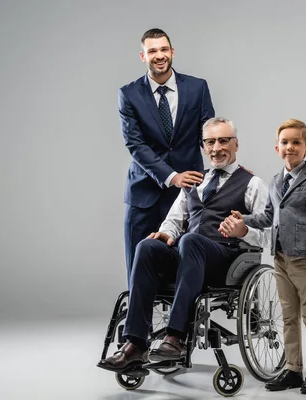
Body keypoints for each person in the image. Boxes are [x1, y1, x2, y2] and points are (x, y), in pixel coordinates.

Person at [97, 117, 269, 372]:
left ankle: (175, 337)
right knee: (147, 246)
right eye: (210, 142)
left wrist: (244, 230)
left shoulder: (253, 184)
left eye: (224, 140)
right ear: (203, 147)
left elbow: (268, 234)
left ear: (236, 144)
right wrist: (166, 234)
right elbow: (173, 222)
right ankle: (135, 344)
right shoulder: (195, 182)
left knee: (190, 241)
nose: (216, 147)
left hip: (226, 260)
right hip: (188, 256)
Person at [219, 118, 306, 394]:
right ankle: (293, 369)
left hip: (305, 259)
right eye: (285, 142)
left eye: (296, 142)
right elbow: (268, 216)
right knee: (289, 316)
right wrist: (243, 217)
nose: (290, 147)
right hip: (280, 257)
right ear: (277, 148)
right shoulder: (276, 180)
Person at [120, 28, 215, 286]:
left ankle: (178, 325)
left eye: (163, 49)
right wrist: (171, 177)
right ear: (143, 56)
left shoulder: (197, 88)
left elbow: (208, 135)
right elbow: (135, 144)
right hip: (144, 195)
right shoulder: (129, 94)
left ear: (172, 52)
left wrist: (228, 166)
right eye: (152, 51)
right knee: (139, 270)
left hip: (188, 193)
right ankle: (140, 326)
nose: (159, 55)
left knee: (185, 267)